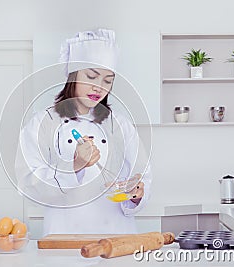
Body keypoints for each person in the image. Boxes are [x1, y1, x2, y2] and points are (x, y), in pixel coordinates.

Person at [15, 29, 152, 235]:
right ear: (73, 76)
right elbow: (28, 184)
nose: (98, 87)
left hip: (115, 236)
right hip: (64, 236)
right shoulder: (42, 124)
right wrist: (74, 166)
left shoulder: (121, 126)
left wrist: (137, 193)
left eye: (107, 80)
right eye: (91, 76)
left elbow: (143, 175)